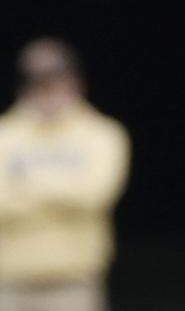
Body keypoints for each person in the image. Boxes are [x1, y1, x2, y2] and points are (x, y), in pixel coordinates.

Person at [0, 37, 130, 311]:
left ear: (75, 81)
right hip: (8, 284)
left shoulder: (102, 133)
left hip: (74, 284)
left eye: (55, 77)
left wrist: (26, 185)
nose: (46, 88)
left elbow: (94, 196)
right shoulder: (5, 134)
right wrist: (63, 187)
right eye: (36, 80)